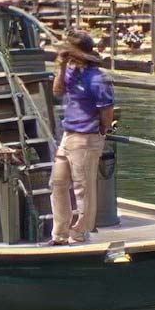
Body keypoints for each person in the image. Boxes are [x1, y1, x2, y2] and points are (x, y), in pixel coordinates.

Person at [48, 30, 115, 245]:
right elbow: (57, 92)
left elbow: (107, 112)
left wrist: (102, 132)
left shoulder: (98, 78)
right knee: (57, 183)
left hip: (86, 137)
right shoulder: (70, 70)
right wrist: (59, 67)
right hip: (68, 135)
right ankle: (59, 234)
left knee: (83, 189)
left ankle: (79, 234)